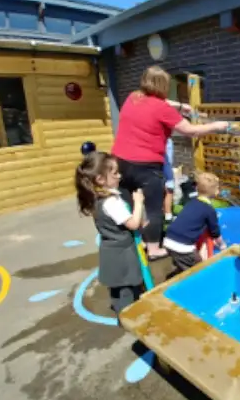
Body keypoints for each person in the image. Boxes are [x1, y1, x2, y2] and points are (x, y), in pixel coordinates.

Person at [111, 66, 229, 260]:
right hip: (146, 165)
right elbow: (190, 130)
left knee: (130, 203)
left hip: (120, 161)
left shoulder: (133, 97)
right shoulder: (162, 108)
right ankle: (154, 249)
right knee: (152, 207)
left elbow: (161, 101)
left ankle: (134, 240)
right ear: (163, 85)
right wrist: (217, 126)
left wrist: (182, 107)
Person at [75, 152, 145, 317]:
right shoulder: (111, 202)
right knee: (126, 288)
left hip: (110, 249)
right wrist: (139, 202)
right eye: (114, 173)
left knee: (118, 286)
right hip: (121, 252)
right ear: (100, 179)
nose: (119, 175)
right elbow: (133, 223)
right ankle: (128, 317)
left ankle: (124, 310)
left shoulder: (97, 197)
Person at [163, 172, 226, 276]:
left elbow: (191, 224)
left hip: (168, 240)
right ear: (216, 192)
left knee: (182, 263)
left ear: (197, 188)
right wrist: (222, 245)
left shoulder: (191, 203)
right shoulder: (209, 210)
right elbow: (215, 232)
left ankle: (178, 273)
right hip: (183, 247)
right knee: (200, 269)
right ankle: (184, 284)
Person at [163, 137, 175, 223]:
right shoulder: (165, 142)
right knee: (169, 192)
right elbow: (168, 161)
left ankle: (165, 213)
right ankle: (168, 215)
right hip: (165, 170)